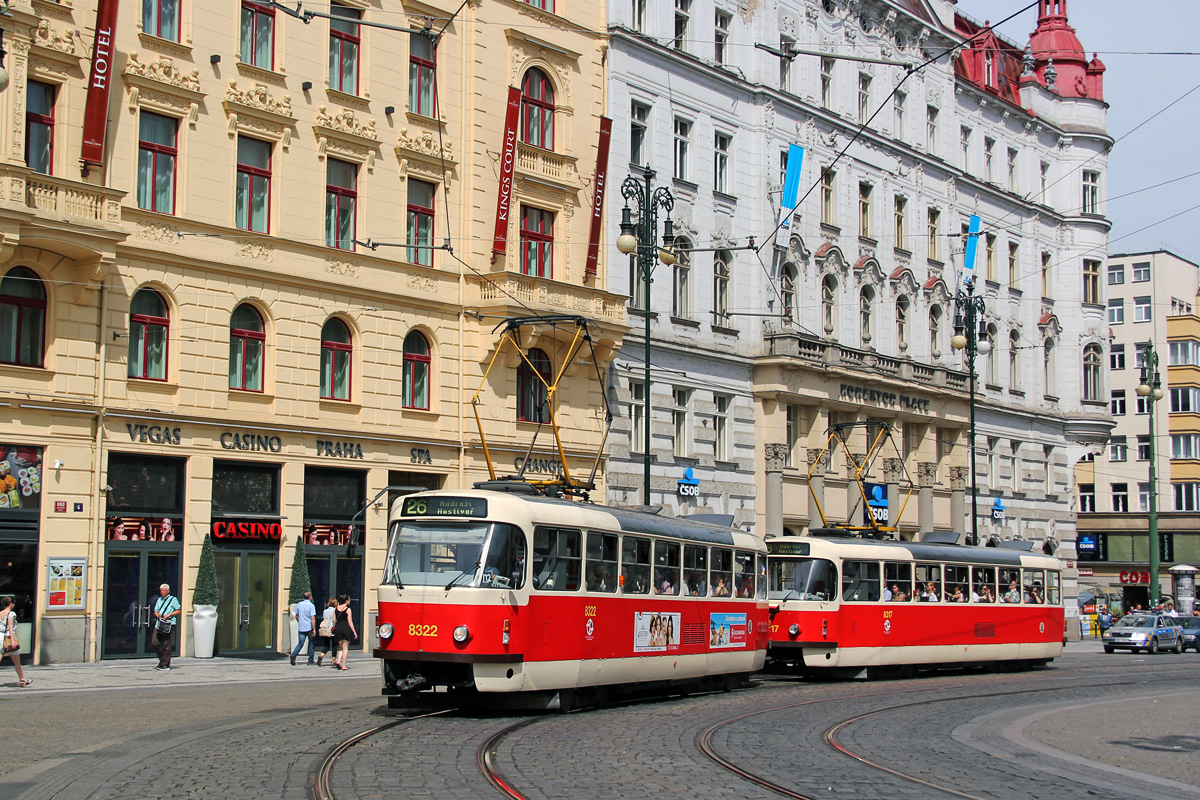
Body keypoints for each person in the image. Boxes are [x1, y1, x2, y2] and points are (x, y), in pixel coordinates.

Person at [1, 596, 30, 687]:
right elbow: (10, 627)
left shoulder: (0, 613)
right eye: (13, 603)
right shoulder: (11, 614)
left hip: (0, 637)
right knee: (17, 661)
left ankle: (22, 679)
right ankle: (22, 679)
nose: (13, 605)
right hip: (8, 638)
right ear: (10, 604)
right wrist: (13, 641)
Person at [152, 583, 181, 670]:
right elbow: (155, 610)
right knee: (154, 642)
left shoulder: (173, 599)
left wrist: (169, 614)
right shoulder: (159, 599)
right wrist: (158, 614)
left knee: (166, 643)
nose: (162, 592)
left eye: (163, 590)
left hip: (169, 623)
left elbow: (178, 610)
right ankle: (163, 660)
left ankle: (165, 664)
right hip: (159, 623)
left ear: (168, 591)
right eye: (161, 590)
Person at [331, 594, 357, 671]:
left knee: (341, 647)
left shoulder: (335, 609)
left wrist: (335, 627)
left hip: (338, 628)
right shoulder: (348, 609)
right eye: (349, 600)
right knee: (345, 648)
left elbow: (334, 620)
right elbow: (350, 622)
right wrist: (354, 632)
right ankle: (344, 665)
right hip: (345, 628)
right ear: (346, 601)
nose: (349, 601)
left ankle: (338, 661)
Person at [291, 591, 317, 666]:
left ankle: (294, 654)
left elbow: (296, 615)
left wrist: (299, 621)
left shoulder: (299, 604)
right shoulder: (311, 606)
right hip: (309, 627)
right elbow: (312, 618)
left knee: (301, 643)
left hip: (301, 627)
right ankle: (310, 660)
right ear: (310, 597)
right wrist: (314, 629)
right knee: (311, 643)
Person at [316, 597, 336, 666]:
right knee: (334, 645)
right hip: (332, 630)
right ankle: (333, 661)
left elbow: (324, 619)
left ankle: (321, 656)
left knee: (326, 646)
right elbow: (334, 620)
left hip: (325, 629)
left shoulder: (325, 611)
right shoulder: (335, 610)